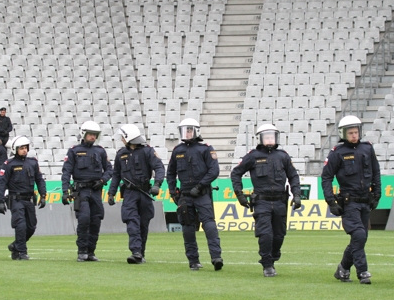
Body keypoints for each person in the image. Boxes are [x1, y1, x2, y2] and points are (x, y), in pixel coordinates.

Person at [231, 124, 302, 277]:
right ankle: (267, 264)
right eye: (266, 136)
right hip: (261, 202)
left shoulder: (283, 156)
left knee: (279, 235)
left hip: (280, 202)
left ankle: (273, 257)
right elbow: (236, 173)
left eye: (272, 136)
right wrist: (240, 195)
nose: (270, 139)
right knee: (265, 234)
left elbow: (293, 176)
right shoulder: (253, 156)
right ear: (260, 138)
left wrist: (297, 194)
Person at [321, 116, 381, 284]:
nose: (355, 135)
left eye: (356, 132)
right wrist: (331, 201)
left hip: (365, 200)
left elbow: (376, 172)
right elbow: (326, 178)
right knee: (359, 235)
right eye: (351, 133)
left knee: (360, 238)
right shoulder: (337, 152)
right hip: (349, 202)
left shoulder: (367, 149)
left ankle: (343, 268)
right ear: (343, 133)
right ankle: (363, 272)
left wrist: (377, 194)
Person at [167, 118, 223, 271]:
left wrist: (200, 186)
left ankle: (216, 257)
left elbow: (214, 171)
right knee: (187, 227)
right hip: (185, 194)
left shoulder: (205, 148)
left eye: (189, 130)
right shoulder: (177, 150)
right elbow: (170, 173)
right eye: (184, 130)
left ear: (196, 131)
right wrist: (173, 191)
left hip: (202, 193)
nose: (187, 133)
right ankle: (193, 260)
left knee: (209, 224)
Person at [107, 124, 165, 264]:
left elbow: (159, 167)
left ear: (128, 137)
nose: (121, 139)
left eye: (123, 137)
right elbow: (116, 175)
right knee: (132, 221)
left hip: (145, 192)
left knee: (143, 224)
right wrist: (111, 192)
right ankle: (136, 251)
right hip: (129, 194)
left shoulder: (148, 151)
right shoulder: (121, 154)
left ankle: (140, 253)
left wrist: (157, 184)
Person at [61, 121, 113, 262]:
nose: (93, 137)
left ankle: (91, 251)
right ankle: (82, 251)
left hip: (96, 191)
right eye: (90, 134)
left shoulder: (100, 151)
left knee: (96, 220)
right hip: (80, 191)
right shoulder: (74, 151)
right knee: (84, 219)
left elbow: (109, 169)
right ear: (84, 134)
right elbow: (66, 172)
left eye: (95, 134)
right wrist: (65, 191)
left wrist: (102, 180)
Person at [0, 136, 47, 260]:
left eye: (26, 148)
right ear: (15, 149)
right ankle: (21, 251)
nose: (24, 150)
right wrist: (0, 200)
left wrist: (43, 195)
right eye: (21, 148)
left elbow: (39, 180)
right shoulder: (8, 164)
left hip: (29, 199)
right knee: (21, 225)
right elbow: (1, 183)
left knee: (31, 226)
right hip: (16, 200)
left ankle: (16, 246)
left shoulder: (33, 162)